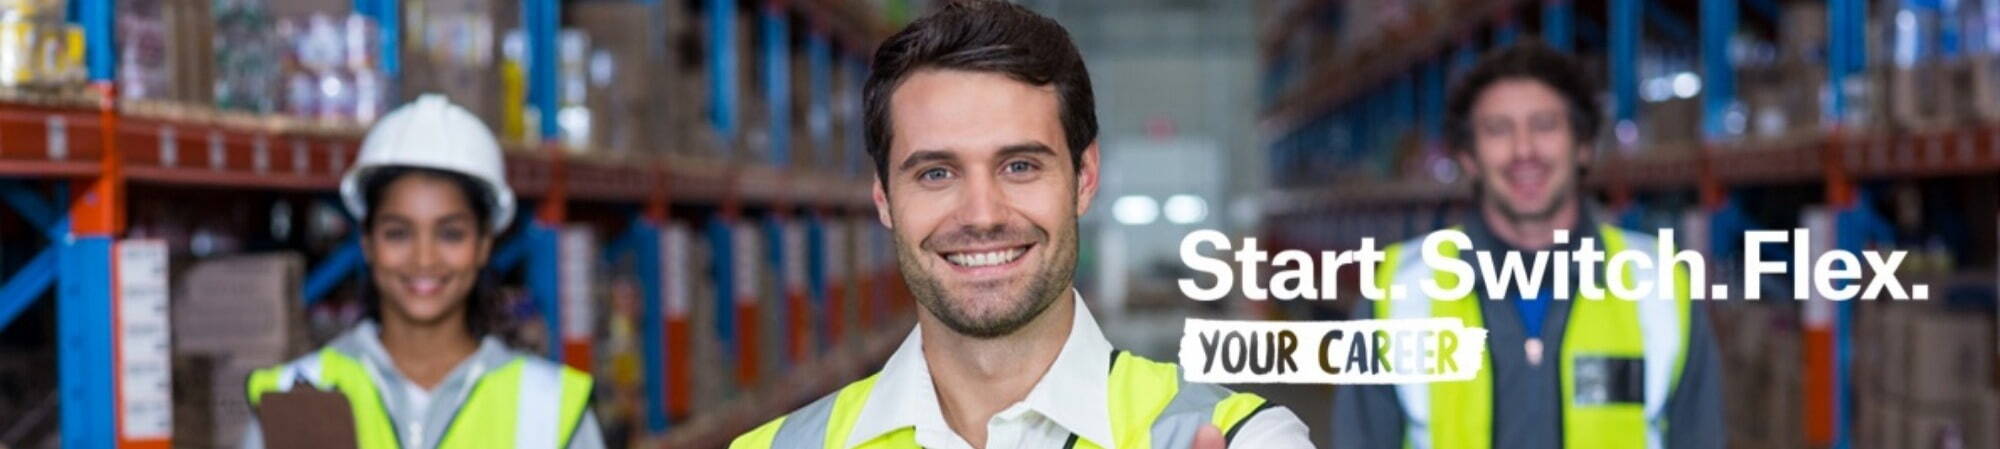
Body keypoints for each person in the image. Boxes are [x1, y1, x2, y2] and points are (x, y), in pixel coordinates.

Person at [730, 2, 1315, 448]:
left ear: (1085, 177)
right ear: (884, 197)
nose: (982, 215)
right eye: (936, 173)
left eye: (1019, 166)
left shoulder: (1243, 437)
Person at [1332, 41, 1724, 448]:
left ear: (1584, 145)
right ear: (1468, 157)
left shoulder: (1660, 283)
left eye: (1544, 125)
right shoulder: (1400, 290)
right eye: (1498, 129)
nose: (1524, 150)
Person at [241, 95, 606, 448]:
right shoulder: (294, 396)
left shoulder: (549, 407)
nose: (424, 258)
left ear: (483, 245)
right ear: (367, 243)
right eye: (398, 233)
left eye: (450, 233)